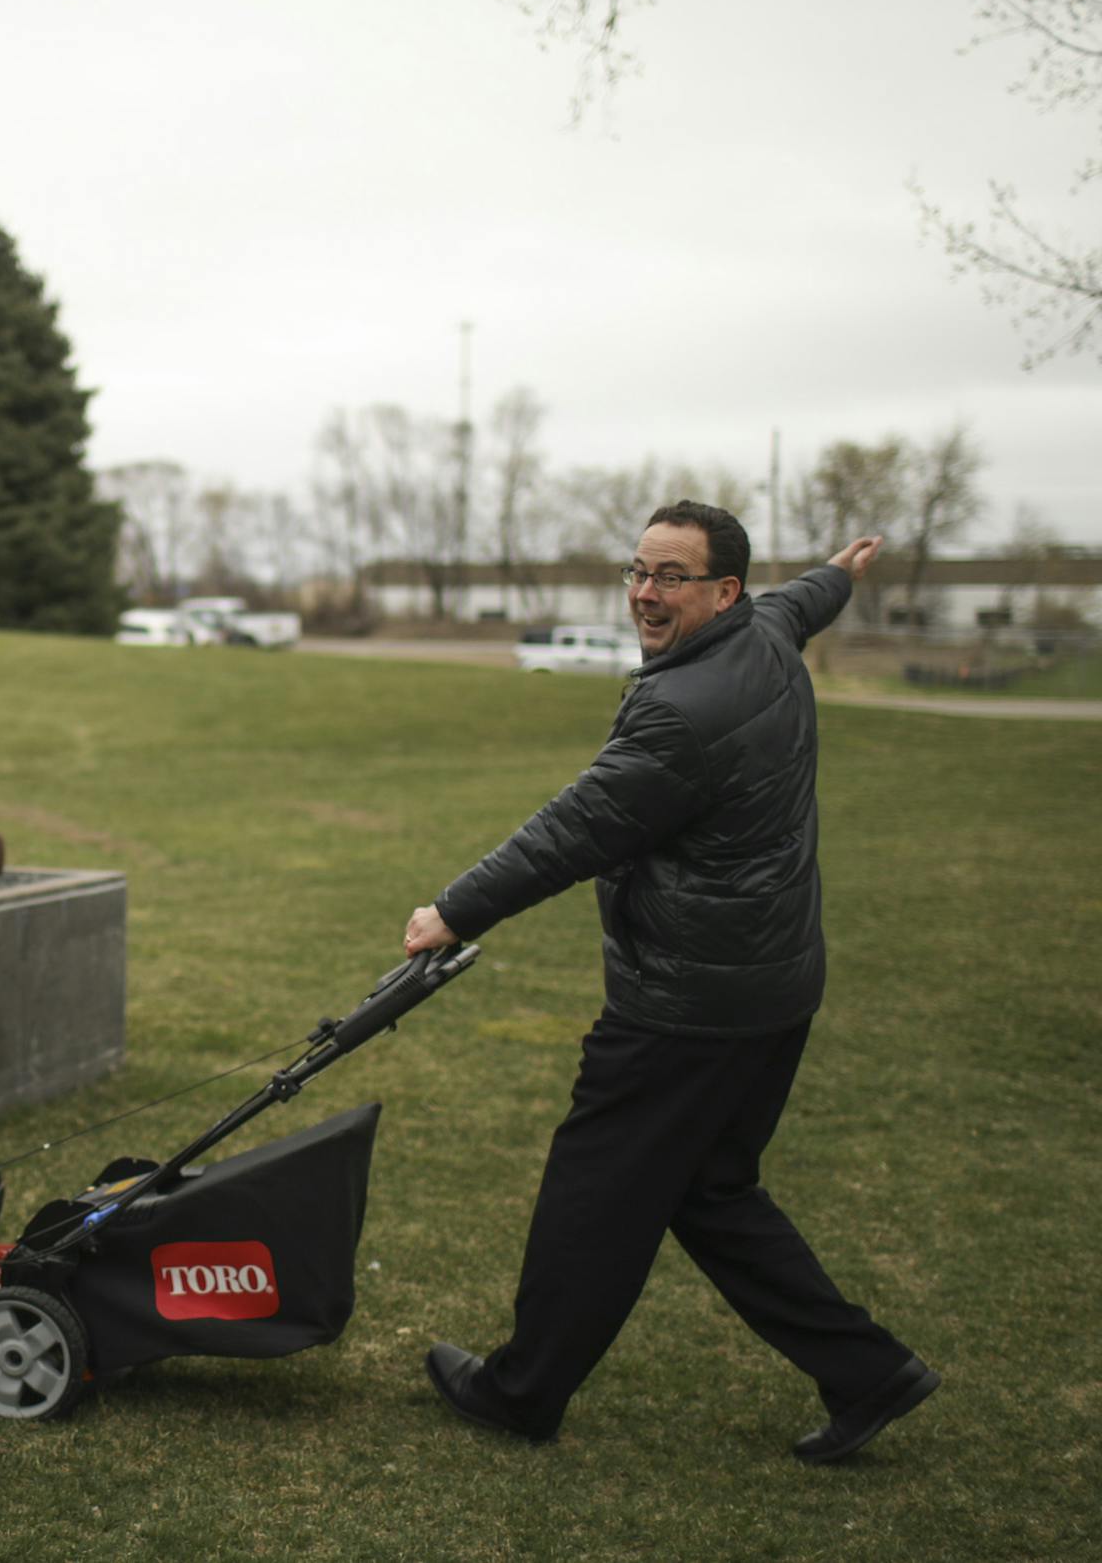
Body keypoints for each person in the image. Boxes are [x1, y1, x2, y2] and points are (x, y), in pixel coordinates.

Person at [402, 501, 938, 1463]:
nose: (646, 593)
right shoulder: (766, 631)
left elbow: (574, 828)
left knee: (593, 1191)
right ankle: (868, 1370)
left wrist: (456, 909)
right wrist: (839, 572)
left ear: (721, 592)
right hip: (772, 989)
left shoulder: (683, 710)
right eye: (639, 571)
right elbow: (799, 603)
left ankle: (521, 1391)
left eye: (671, 577)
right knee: (713, 1190)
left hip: (688, 1006)